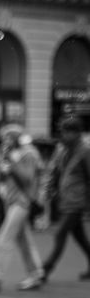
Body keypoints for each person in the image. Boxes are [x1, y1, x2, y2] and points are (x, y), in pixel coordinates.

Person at [0, 124, 45, 291]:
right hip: (11, 201)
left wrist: (12, 163)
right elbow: (1, 178)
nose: (5, 141)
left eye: (8, 137)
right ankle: (36, 273)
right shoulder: (12, 154)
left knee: (4, 238)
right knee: (24, 241)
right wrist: (5, 161)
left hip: (21, 202)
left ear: (16, 137)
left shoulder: (28, 153)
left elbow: (27, 178)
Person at [41, 115, 90, 281]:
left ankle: (45, 269)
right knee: (80, 238)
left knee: (60, 233)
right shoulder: (62, 150)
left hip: (77, 201)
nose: (63, 135)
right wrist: (49, 190)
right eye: (62, 132)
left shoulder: (85, 151)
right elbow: (55, 172)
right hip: (65, 200)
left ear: (77, 133)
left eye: (67, 132)